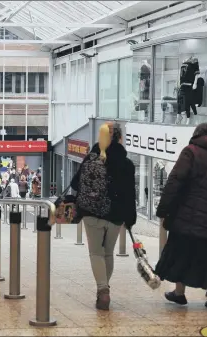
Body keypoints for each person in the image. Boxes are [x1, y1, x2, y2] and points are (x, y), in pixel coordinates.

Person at [154, 123, 207, 311]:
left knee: (182, 251)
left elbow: (175, 182)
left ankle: (179, 292)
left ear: (196, 135)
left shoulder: (190, 152)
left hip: (189, 217)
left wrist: (163, 209)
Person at [70, 122, 137, 310]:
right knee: (108, 253)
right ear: (120, 138)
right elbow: (130, 194)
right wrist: (130, 219)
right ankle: (104, 289)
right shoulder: (127, 164)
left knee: (96, 253)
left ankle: (103, 290)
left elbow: (75, 184)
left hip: (91, 213)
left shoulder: (92, 157)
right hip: (115, 216)